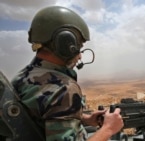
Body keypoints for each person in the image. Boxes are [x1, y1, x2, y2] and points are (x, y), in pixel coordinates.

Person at [10, 6, 124, 141]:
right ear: (65, 43)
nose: (80, 56)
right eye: (78, 48)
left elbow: (39, 116)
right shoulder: (63, 88)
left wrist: (85, 119)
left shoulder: (22, 76)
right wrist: (108, 129)